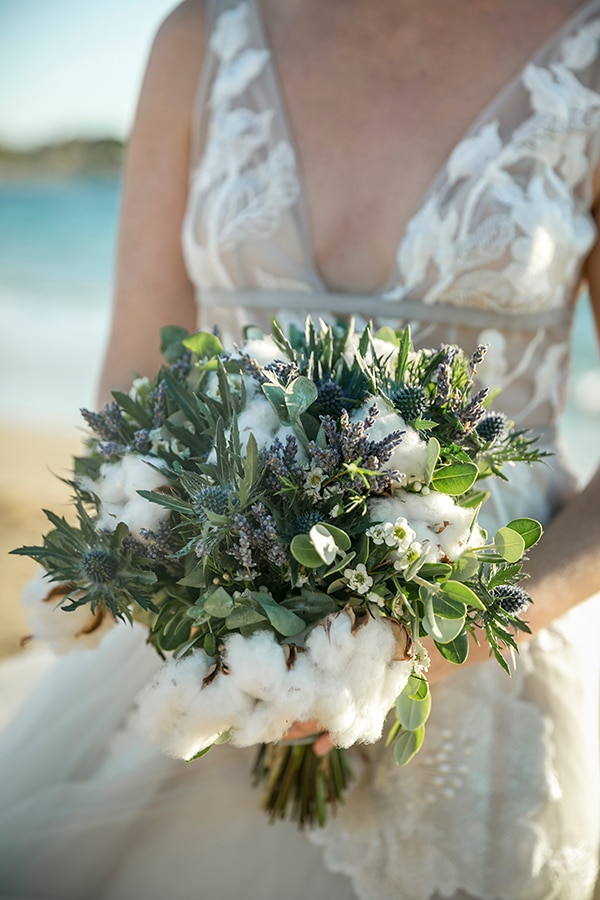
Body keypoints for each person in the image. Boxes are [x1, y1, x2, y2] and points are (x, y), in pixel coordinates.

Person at [1, 0, 600, 897]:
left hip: (490, 647)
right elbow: (131, 391)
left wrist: (431, 640)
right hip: (210, 640)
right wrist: (205, 606)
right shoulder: (201, 39)